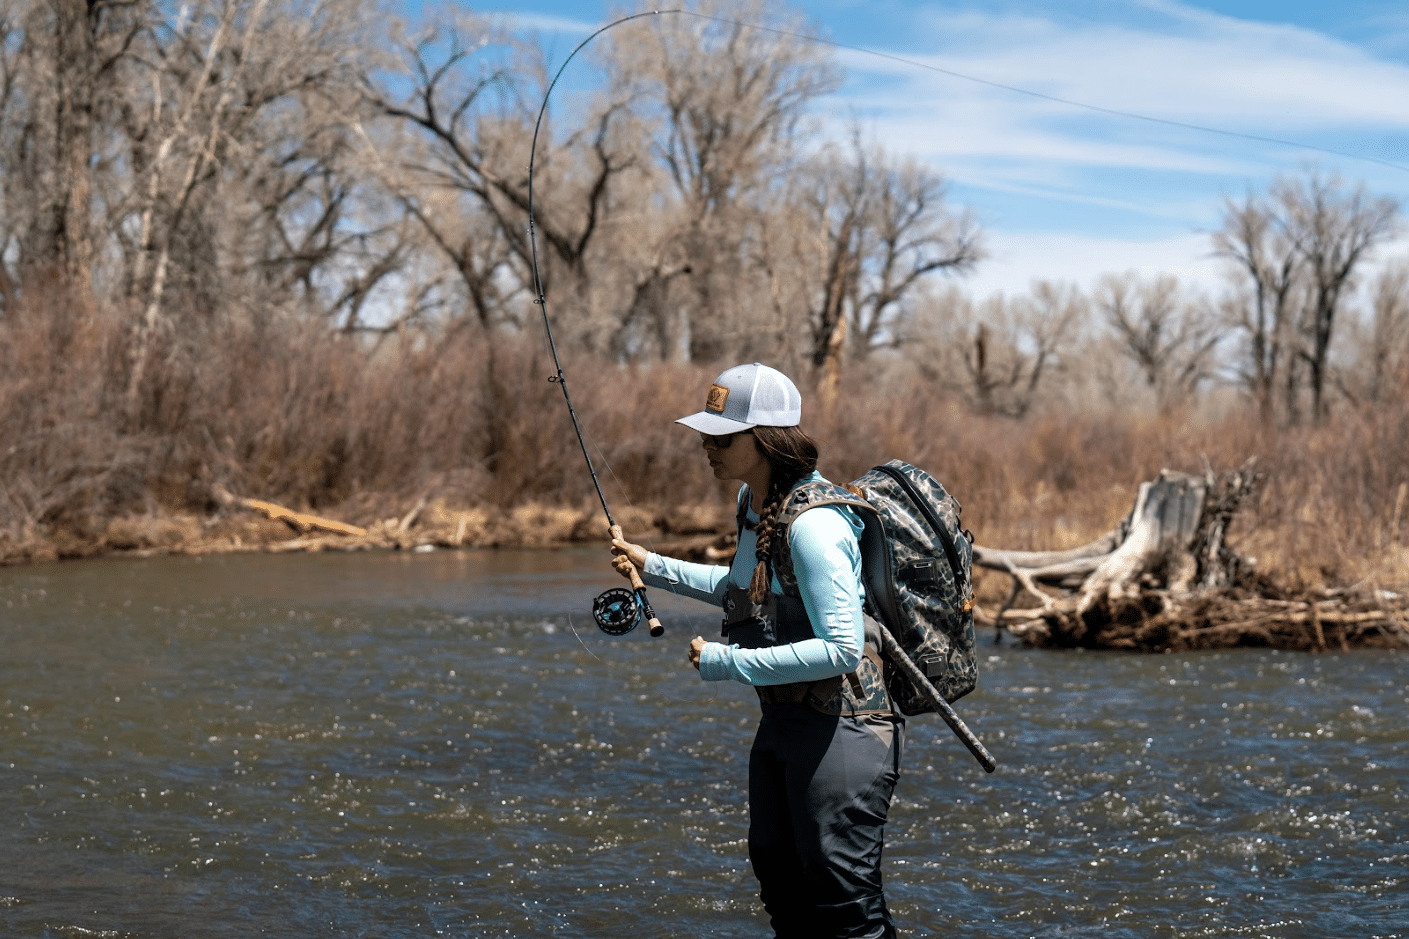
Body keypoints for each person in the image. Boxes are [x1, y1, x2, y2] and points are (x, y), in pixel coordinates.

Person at [611, 363, 903, 939]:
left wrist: (729, 662)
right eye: (705, 433)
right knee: (777, 874)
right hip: (784, 720)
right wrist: (653, 565)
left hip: (844, 728)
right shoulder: (756, 501)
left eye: (721, 436)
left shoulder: (815, 527)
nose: (705, 446)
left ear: (764, 440)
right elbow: (744, 591)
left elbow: (843, 649)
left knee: (844, 902)